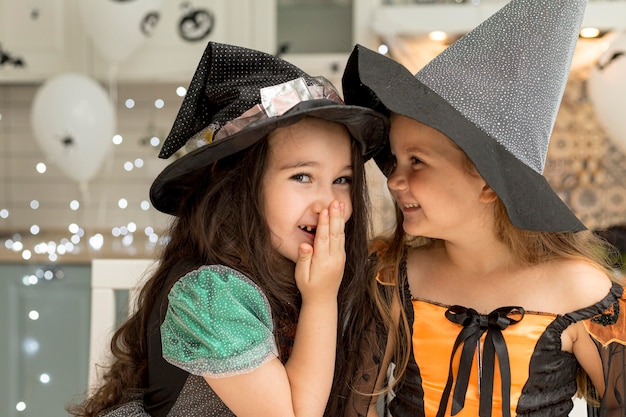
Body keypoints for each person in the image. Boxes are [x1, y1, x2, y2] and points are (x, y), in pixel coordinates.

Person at [67, 42, 388, 417]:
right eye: (302, 176)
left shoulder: (301, 274)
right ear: (240, 184)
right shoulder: (208, 294)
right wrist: (321, 298)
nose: (328, 203)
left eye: (342, 180)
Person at [341, 0, 626, 415]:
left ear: (489, 182)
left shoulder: (582, 291)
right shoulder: (392, 277)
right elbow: (356, 407)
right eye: (396, 161)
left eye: (417, 161)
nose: (395, 180)